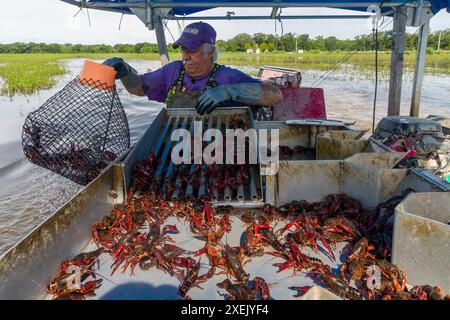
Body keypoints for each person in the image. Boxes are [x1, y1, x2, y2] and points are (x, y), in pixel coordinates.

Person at [103, 21, 282, 115]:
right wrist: (126, 72)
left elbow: (275, 95)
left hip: (218, 147)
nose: (185, 56)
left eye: (192, 51)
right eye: (182, 49)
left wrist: (229, 91)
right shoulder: (172, 71)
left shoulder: (228, 77)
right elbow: (140, 88)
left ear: (210, 52)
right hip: (177, 146)